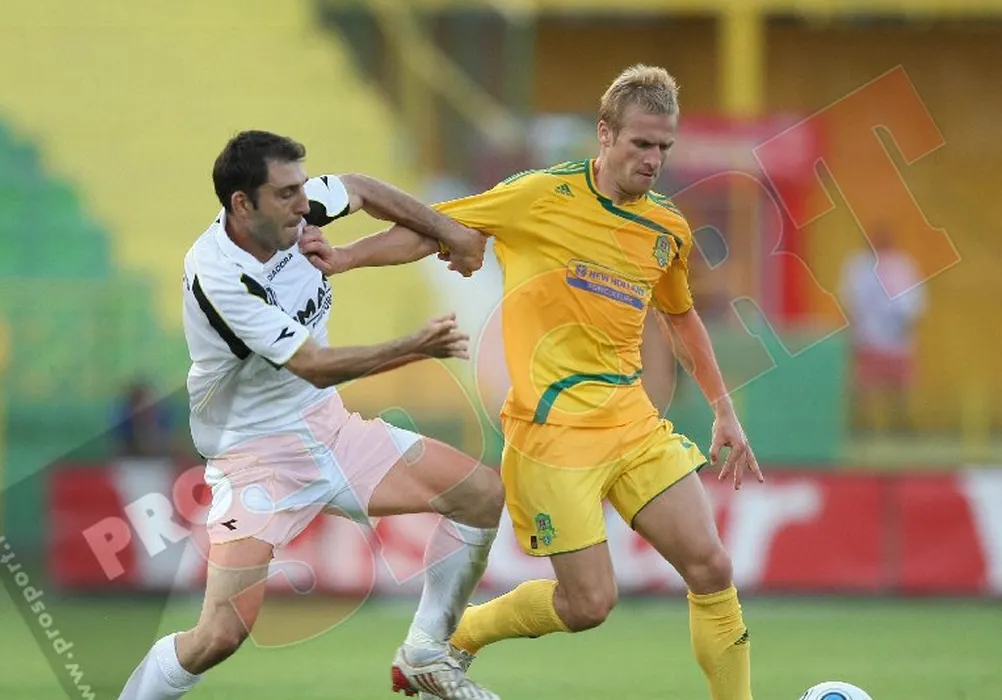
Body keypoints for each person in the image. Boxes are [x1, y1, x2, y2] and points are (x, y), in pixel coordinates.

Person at [302, 65, 763, 700]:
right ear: (605, 134)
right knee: (588, 604)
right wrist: (349, 257)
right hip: (550, 438)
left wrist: (723, 410)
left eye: (664, 147)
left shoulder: (667, 229)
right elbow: (433, 229)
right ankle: (457, 637)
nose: (654, 160)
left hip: (632, 424)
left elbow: (680, 318)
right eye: (641, 143)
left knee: (711, 566)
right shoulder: (539, 195)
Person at [117, 130, 505, 700]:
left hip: (330, 429)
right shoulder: (220, 275)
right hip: (255, 459)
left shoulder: (293, 214)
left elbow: (362, 188)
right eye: (286, 194)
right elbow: (315, 366)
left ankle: (425, 652)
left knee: (480, 496)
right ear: (242, 204)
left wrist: (449, 234)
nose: (304, 204)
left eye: (302, 188)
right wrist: (414, 345)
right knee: (219, 636)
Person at [839, 226, 926, 434]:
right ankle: (861, 426)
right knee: (863, 385)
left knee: (900, 386)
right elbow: (850, 300)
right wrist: (855, 330)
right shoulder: (858, 266)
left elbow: (914, 301)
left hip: (897, 338)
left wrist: (906, 327)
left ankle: (902, 425)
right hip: (867, 337)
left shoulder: (902, 266)